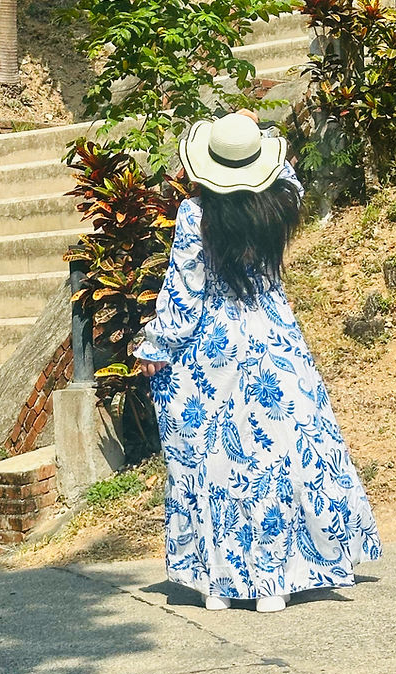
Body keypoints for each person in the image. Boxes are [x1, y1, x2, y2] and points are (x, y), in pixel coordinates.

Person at [135, 110, 381, 613]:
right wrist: (259, 132)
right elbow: (285, 169)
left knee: (214, 461)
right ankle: (278, 582)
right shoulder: (281, 203)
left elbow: (184, 296)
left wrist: (153, 347)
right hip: (274, 341)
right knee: (281, 453)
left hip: (213, 350)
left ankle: (218, 585)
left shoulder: (195, 215)